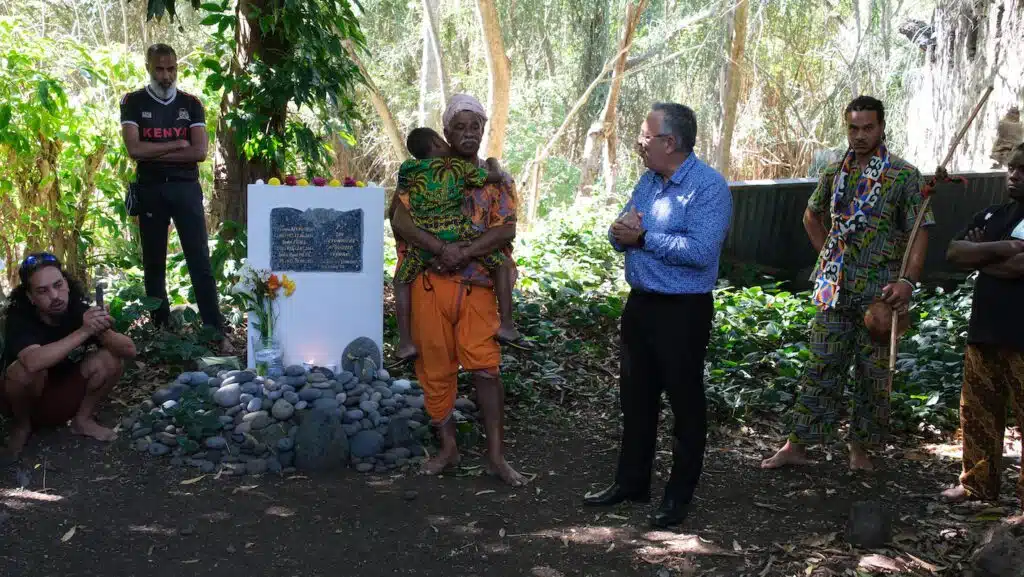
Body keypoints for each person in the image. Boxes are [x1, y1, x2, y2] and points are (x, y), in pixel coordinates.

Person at [761, 96, 935, 472]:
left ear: (882, 127)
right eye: (853, 128)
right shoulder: (834, 172)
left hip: (881, 291)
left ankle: (861, 450)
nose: (859, 136)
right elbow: (811, 215)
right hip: (835, 288)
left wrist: (907, 281)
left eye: (867, 128)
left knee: (873, 374)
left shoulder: (903, 175)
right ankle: (798, 445)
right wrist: (829, 256)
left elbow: (920, 228)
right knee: (821, 364)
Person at [582, 103, 732, 529]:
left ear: (670, 142)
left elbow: (702, 252)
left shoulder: (708, 188)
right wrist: (618, 233)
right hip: (641, 305)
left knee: (685, 405)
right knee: (636, 398)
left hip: (683, 311)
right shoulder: (648, 182)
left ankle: (677, 497)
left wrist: (644, 237)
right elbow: (622, 230)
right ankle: (632, 483)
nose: (639, 144)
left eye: (645, 136)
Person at [389, 94, 526, 487]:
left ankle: (496, 456)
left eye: (476, 127)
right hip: (430, 284)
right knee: (435, 369)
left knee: (486, 366)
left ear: (484, 130)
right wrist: (439, 249)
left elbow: (507, 227)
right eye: (459, 128)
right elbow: (400, 219)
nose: (469, 134)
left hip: (478, 286)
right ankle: (448, 449)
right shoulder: (422, 172)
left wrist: (462, 251)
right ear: (445, 132)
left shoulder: (496, 177)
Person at [119, 43, 232, 353]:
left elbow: (199, 152)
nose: (166, 75)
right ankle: (160, 331)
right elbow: (134, 150)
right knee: (153, 263)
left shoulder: (191, 104)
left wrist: (162, 150)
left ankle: (214, 330)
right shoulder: (133, 102)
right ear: (147, 67)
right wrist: (177, 144)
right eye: (159, 68)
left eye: (171, 68)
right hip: (151, 189)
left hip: (185, 189)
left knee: (200, 261)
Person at [392, 127, 523, 364]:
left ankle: (405, 342)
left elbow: (399, 203)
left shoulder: (407, 169)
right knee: (501, 264)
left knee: (401, 280)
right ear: (439, 141)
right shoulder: (458, 168)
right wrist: (493, 162)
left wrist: (436, 250)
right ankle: (507, 325)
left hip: (426, 241)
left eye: (475, 127)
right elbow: (493, 177)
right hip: (458, 232)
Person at [941, 142, 1024, 510]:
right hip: (985, 331)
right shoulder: (993, 214)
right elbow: (953, 252)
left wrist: (981, 255)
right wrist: (1003, 248)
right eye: (1012, 168)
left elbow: (1017, 268)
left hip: (1021, 337)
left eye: (1023, 170)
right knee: (977, 411)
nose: (1015, 175)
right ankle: (977, 485)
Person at [0, 253, 136, 460]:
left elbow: (129, 351)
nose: (55, 295)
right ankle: (21, 426)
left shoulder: (77, 310)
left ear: (67, 283)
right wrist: (84, 331)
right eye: (43, 290)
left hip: (63, 398)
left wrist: (101, 330)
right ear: (30, 297)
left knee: (109, 358)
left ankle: (83, 420)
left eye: (58, 285)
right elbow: (32, 362)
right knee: (22, 371)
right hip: (25, 401)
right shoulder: (20, 317)